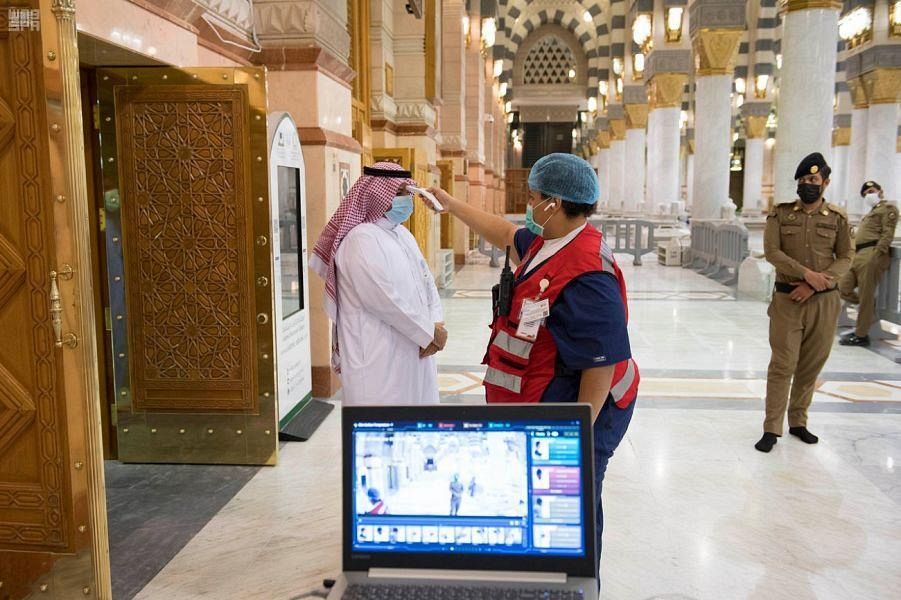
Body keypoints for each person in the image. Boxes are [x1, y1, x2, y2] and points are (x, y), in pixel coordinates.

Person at [428, 152, 638, 565]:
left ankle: (578, 584)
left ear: (554, 203)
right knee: (538, 502)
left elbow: (600, 366)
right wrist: (451, 204)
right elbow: (506, 233)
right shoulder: (550, 240)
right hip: (543, 396)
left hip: (588, 410)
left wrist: (574, 437)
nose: (529, 203)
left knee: (571, 507)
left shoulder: (588, 273)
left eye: (534, 196)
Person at [311, 162, 448, 405]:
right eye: (400, 193)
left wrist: (436, 321)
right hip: (377, 356)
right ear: (377, 196)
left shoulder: (403, 234)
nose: (407, 200)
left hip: (416, 347)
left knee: (416, 416)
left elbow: (427, 281)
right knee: (380, 420)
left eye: (408, 193)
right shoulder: (360, 239)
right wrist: (428, 333)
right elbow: (384, 300)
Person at [756, 152, 853, 453]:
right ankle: (772, 427)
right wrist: (806, 274)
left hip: (824, 300)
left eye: (813, 179)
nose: (807, 184)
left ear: (825, 182)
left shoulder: (837, 218)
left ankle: (798, 421)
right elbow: (773, 252)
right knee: (782, 364)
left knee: (811, 364)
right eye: (803, 180)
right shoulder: (781, 214)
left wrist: (815, 284)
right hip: (788, 300)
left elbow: (846, 257)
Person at [838, 181, 898, 347]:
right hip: (859, 255)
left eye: (871, 191)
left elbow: (887, 233)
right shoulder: (872, 212)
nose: (868, 195)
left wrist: (877, 254)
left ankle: (861, 334)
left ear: (880, 191)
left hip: (872, 254)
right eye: (865, 194)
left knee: (866, 295)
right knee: (842, 286)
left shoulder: (888, 209)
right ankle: (868, 310)